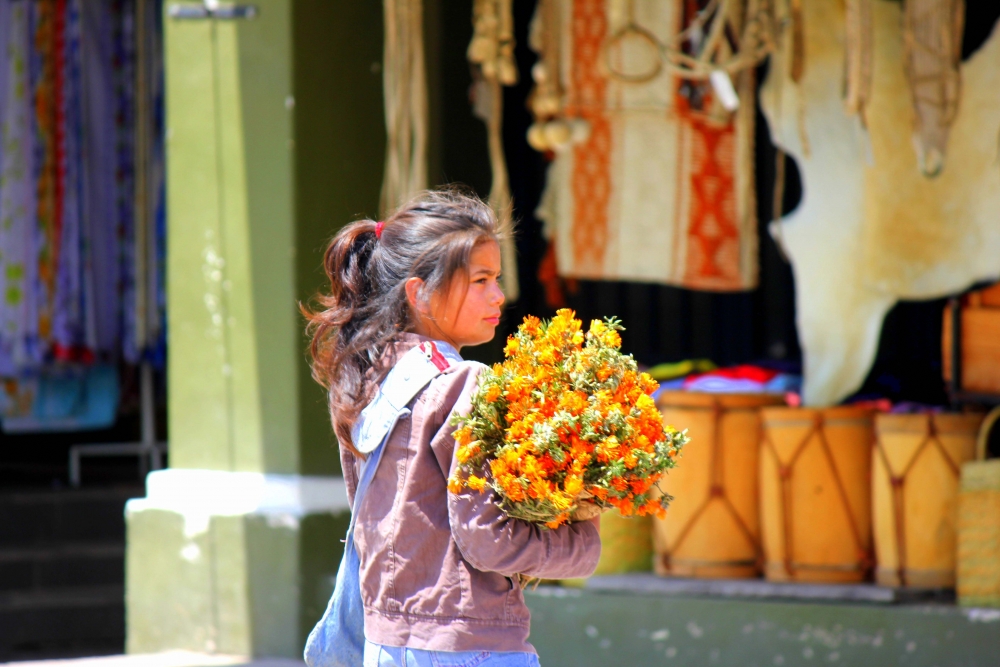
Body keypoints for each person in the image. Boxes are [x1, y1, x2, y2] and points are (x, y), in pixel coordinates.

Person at [302, 189, 602, 667]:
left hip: (384, 644)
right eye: (480, 279)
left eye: (497, 278)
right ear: (419, 293)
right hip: (467, 647)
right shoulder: (464, 383)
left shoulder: (369, 377)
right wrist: (581, 539)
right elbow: (487, 539)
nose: (499, 295)